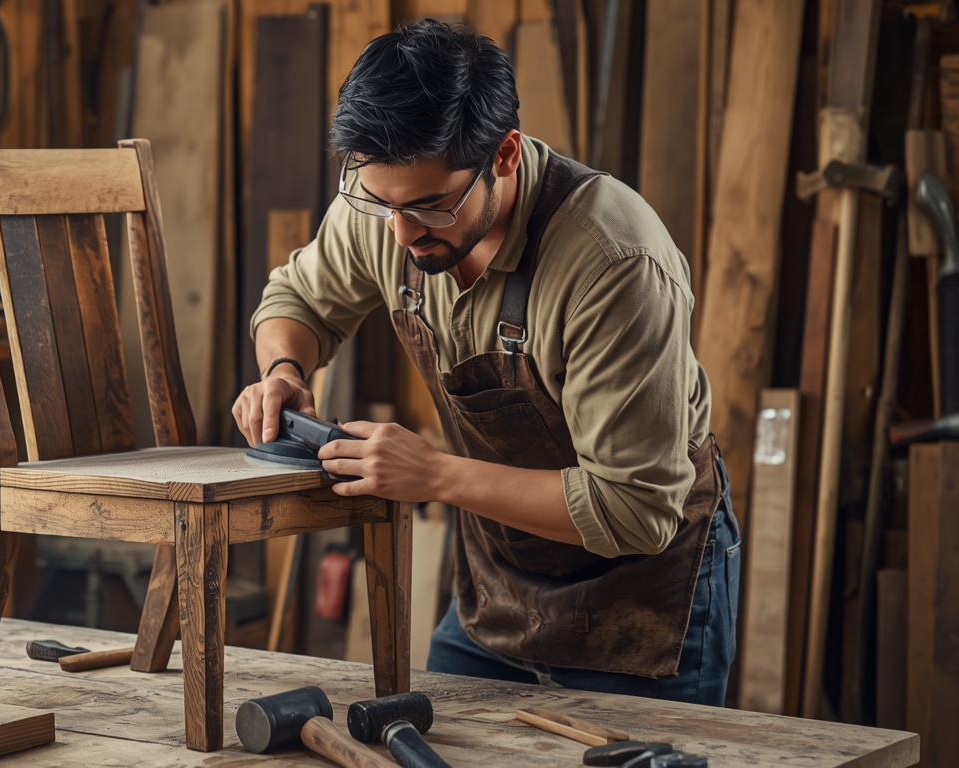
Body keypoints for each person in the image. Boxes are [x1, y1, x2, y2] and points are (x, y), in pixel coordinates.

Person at [231, 20, 739, 706]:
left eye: (430, 208)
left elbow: (634, 508)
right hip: (499, 592)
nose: (402, 233)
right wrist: (284, 372)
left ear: (503, 154)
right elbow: (298, 298)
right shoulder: (389, 206)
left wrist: (435, 473)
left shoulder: (615, 265)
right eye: (381, 203)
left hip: (642, 604)